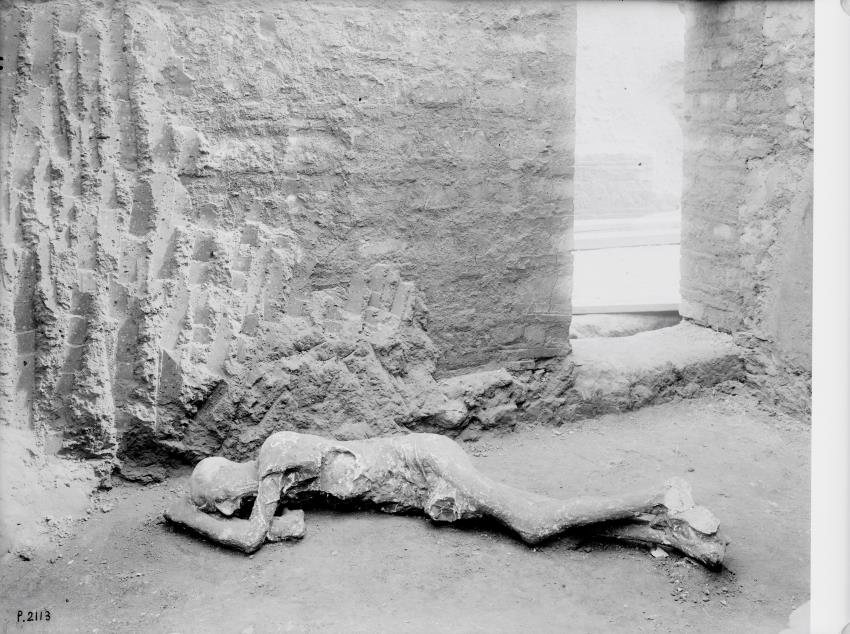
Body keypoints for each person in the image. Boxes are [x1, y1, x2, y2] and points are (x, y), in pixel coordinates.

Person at [164, 431, 727, 568]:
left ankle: (659, 496)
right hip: (420, 493)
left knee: (531, 520)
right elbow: (283, 525)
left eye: (216, 506)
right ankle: (668, 534)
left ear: (220, 495)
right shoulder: (275, 478)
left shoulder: (273, 457)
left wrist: (183, 519)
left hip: (423, 461)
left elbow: (250, 539)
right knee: (521, 522)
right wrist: (285, 524)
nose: (225, 512)